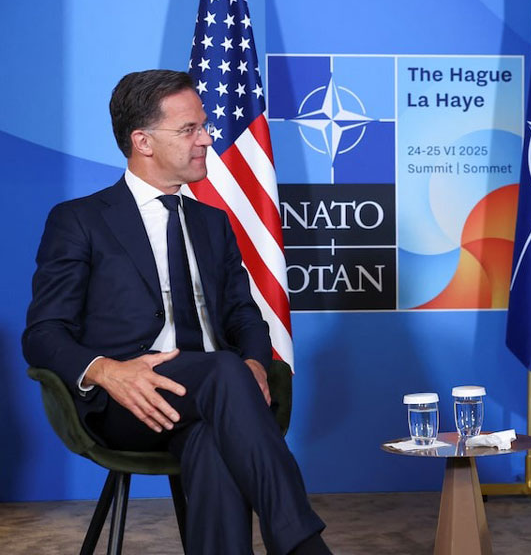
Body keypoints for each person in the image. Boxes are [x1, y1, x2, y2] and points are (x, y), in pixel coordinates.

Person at [22, 70, 330, 555]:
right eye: (189, 130)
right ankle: (302, 544)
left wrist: (253, 362)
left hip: (220, 398)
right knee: (222, 373)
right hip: (131, 403)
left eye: (203, 126)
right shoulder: (80, 220)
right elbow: (42, 333)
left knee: (212, 436)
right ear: (142, 141)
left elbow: (244, 317)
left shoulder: (214, 223)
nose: (206, 138)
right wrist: (105, 371)